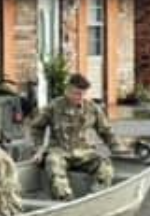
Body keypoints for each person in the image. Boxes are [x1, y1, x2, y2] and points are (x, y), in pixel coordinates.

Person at [28, 73, 123, 201]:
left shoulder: (92, 108)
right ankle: (65, 199)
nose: (80, 97)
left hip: (84, 152)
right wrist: (38, 148)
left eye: (83, 94)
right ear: (67, 91)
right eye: (77, 93)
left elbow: (106, 132)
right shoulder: (54, 106)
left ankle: (94, 198)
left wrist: (117, 148)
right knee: (53, 163)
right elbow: (36, 127)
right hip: (59, 151)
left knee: (105, 165)